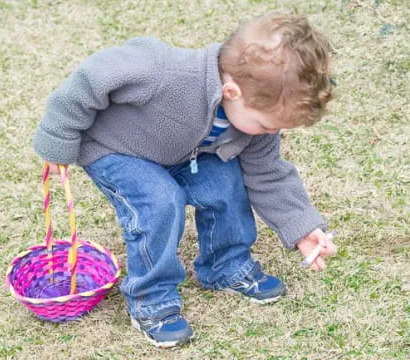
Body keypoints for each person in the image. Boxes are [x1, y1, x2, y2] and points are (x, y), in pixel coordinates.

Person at [33, 12, 338, 348]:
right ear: (232, 91)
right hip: (117, 149)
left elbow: (268, 172)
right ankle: (151, 298)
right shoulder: (163, 71)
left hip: (182, 155)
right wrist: (58, 137)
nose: (272, 133)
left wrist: (302, 227)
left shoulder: (255, 116)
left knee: (226, 182)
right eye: (267, 125)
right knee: (159, 201)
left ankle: (225, 265)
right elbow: (93, 76)